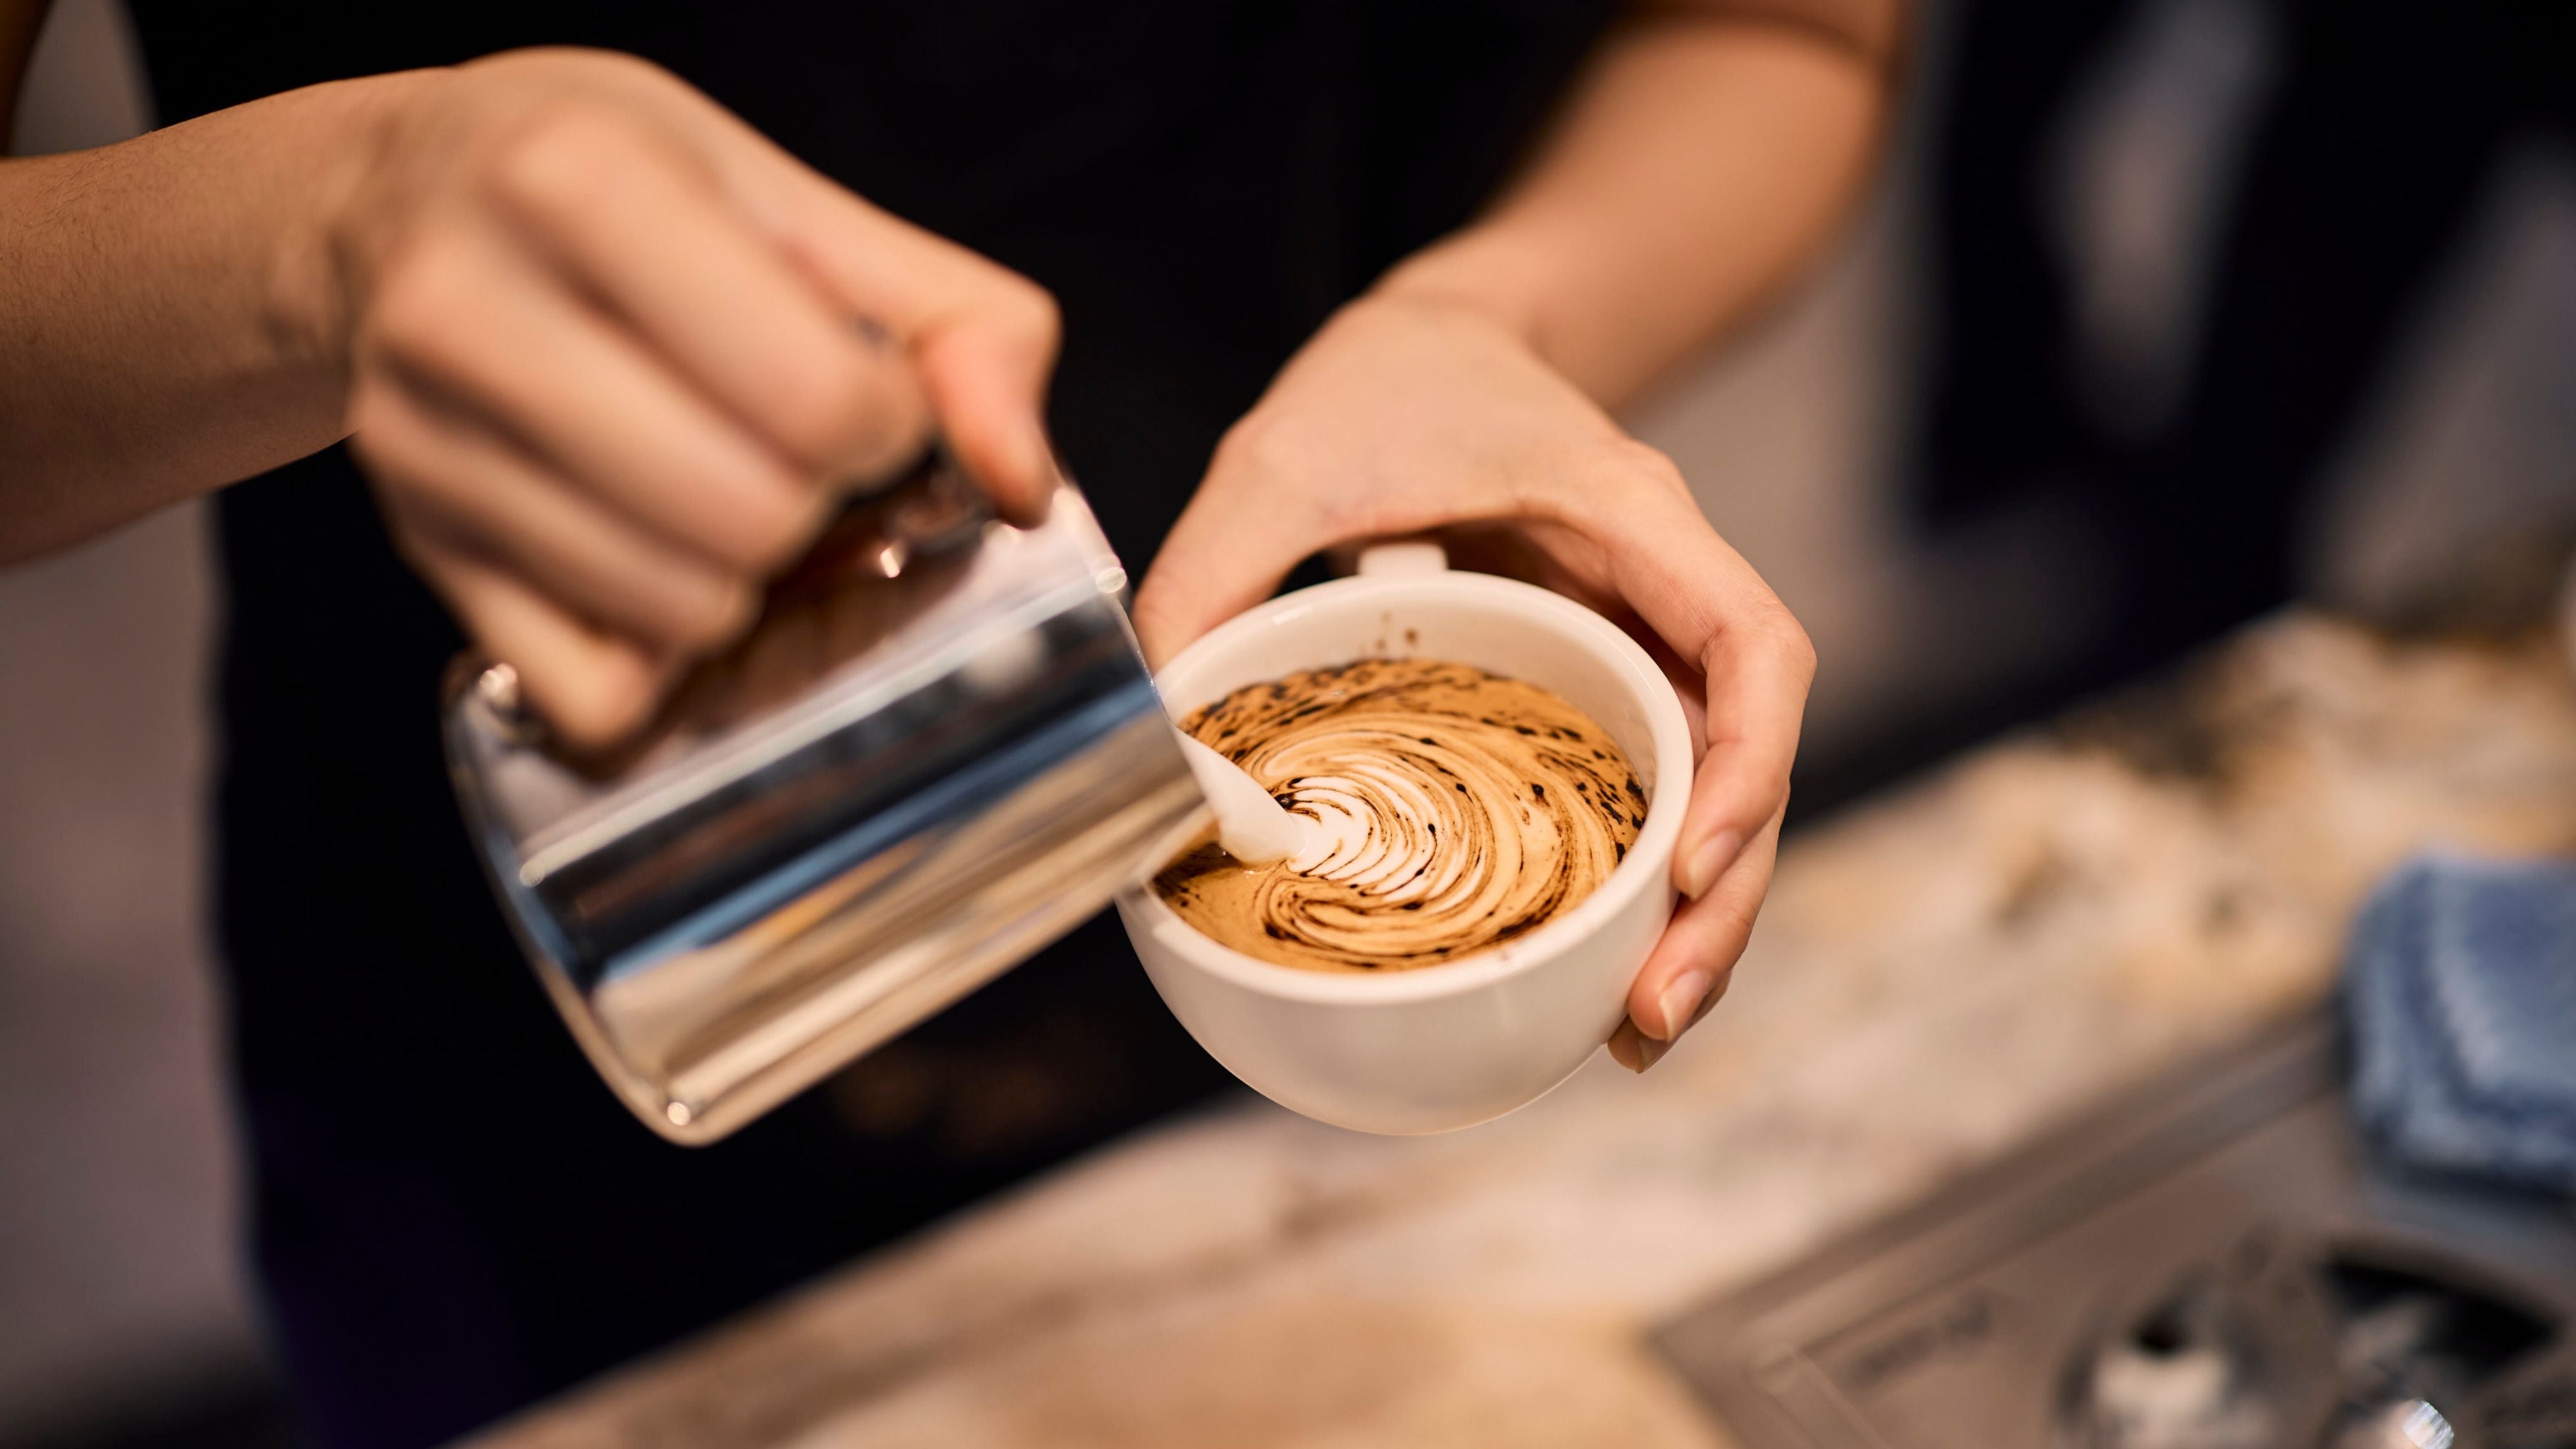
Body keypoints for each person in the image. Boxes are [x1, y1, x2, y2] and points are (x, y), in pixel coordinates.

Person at [0, 3, 1895, 1445]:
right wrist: (336, 232)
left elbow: (1795, 30)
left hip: (1360, 1117)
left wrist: (1510, 308)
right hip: (575, 995)